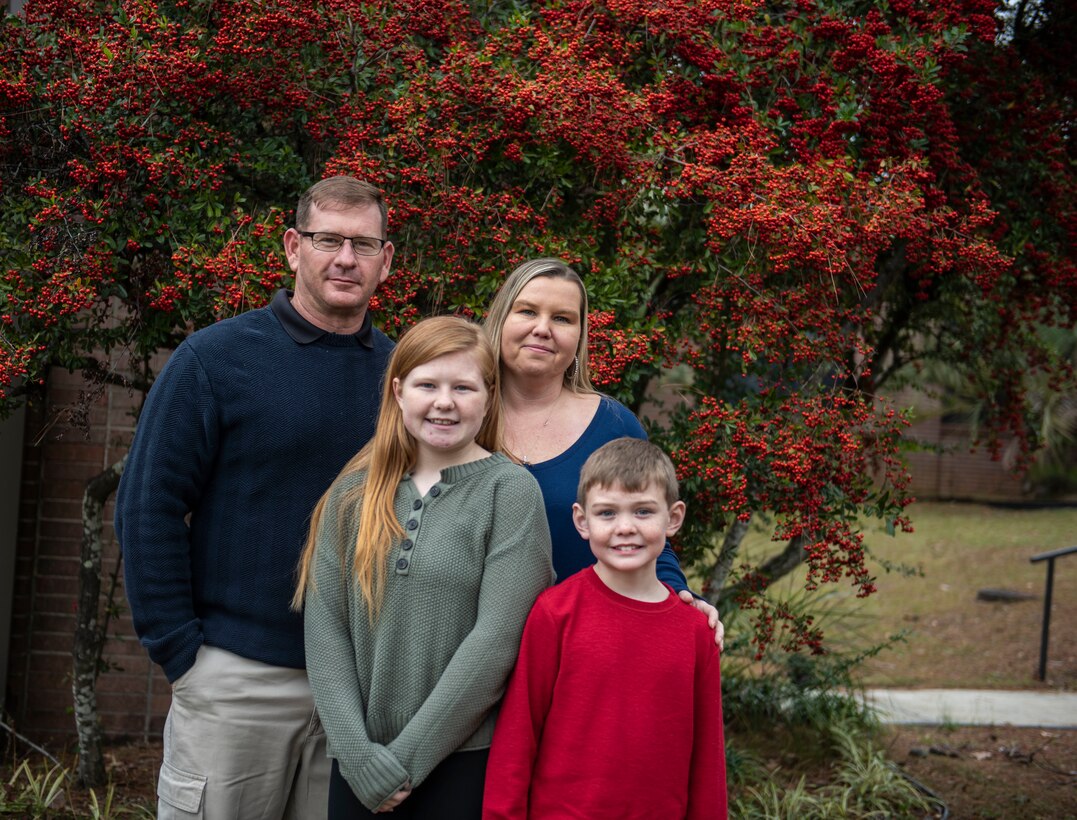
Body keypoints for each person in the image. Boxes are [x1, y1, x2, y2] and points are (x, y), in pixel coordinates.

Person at [115, 176, 395, 819]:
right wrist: (183, 655)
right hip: (235, 680)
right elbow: (147, 504)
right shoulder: (215, 360)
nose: (346, 258)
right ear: (294, 248)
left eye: (363, 243)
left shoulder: (404, 377)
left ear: (387, 260)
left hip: (354, 690)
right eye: (328, 240)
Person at [295, 316, 554, 818]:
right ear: (398, 391)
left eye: (463, 386)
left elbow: (496, 640)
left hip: (463, 761)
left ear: (489, 395)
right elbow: (326, 631)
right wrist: (357, 754)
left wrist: (406, 759)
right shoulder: (352, 494)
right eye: (427, 384)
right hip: (358, 763)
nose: (444, 402)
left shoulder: (510, 492)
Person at [483, 258, 724, 647]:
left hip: (585, 650)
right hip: (469, 654)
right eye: (527, 311)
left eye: (562, 319)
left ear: (580, 336)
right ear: (500, 319)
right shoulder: (458, 417)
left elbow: (647, 528)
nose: (542, 329)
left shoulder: (612, 425)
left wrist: (679, 597)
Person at [482, 437, 727, 819]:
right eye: (607, 513)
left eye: (643, 512)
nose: (625, 528)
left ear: (674, 518)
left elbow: (708, 760)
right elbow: (518, 737)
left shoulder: (696, 632)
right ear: (582, 520)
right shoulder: (554, 613)